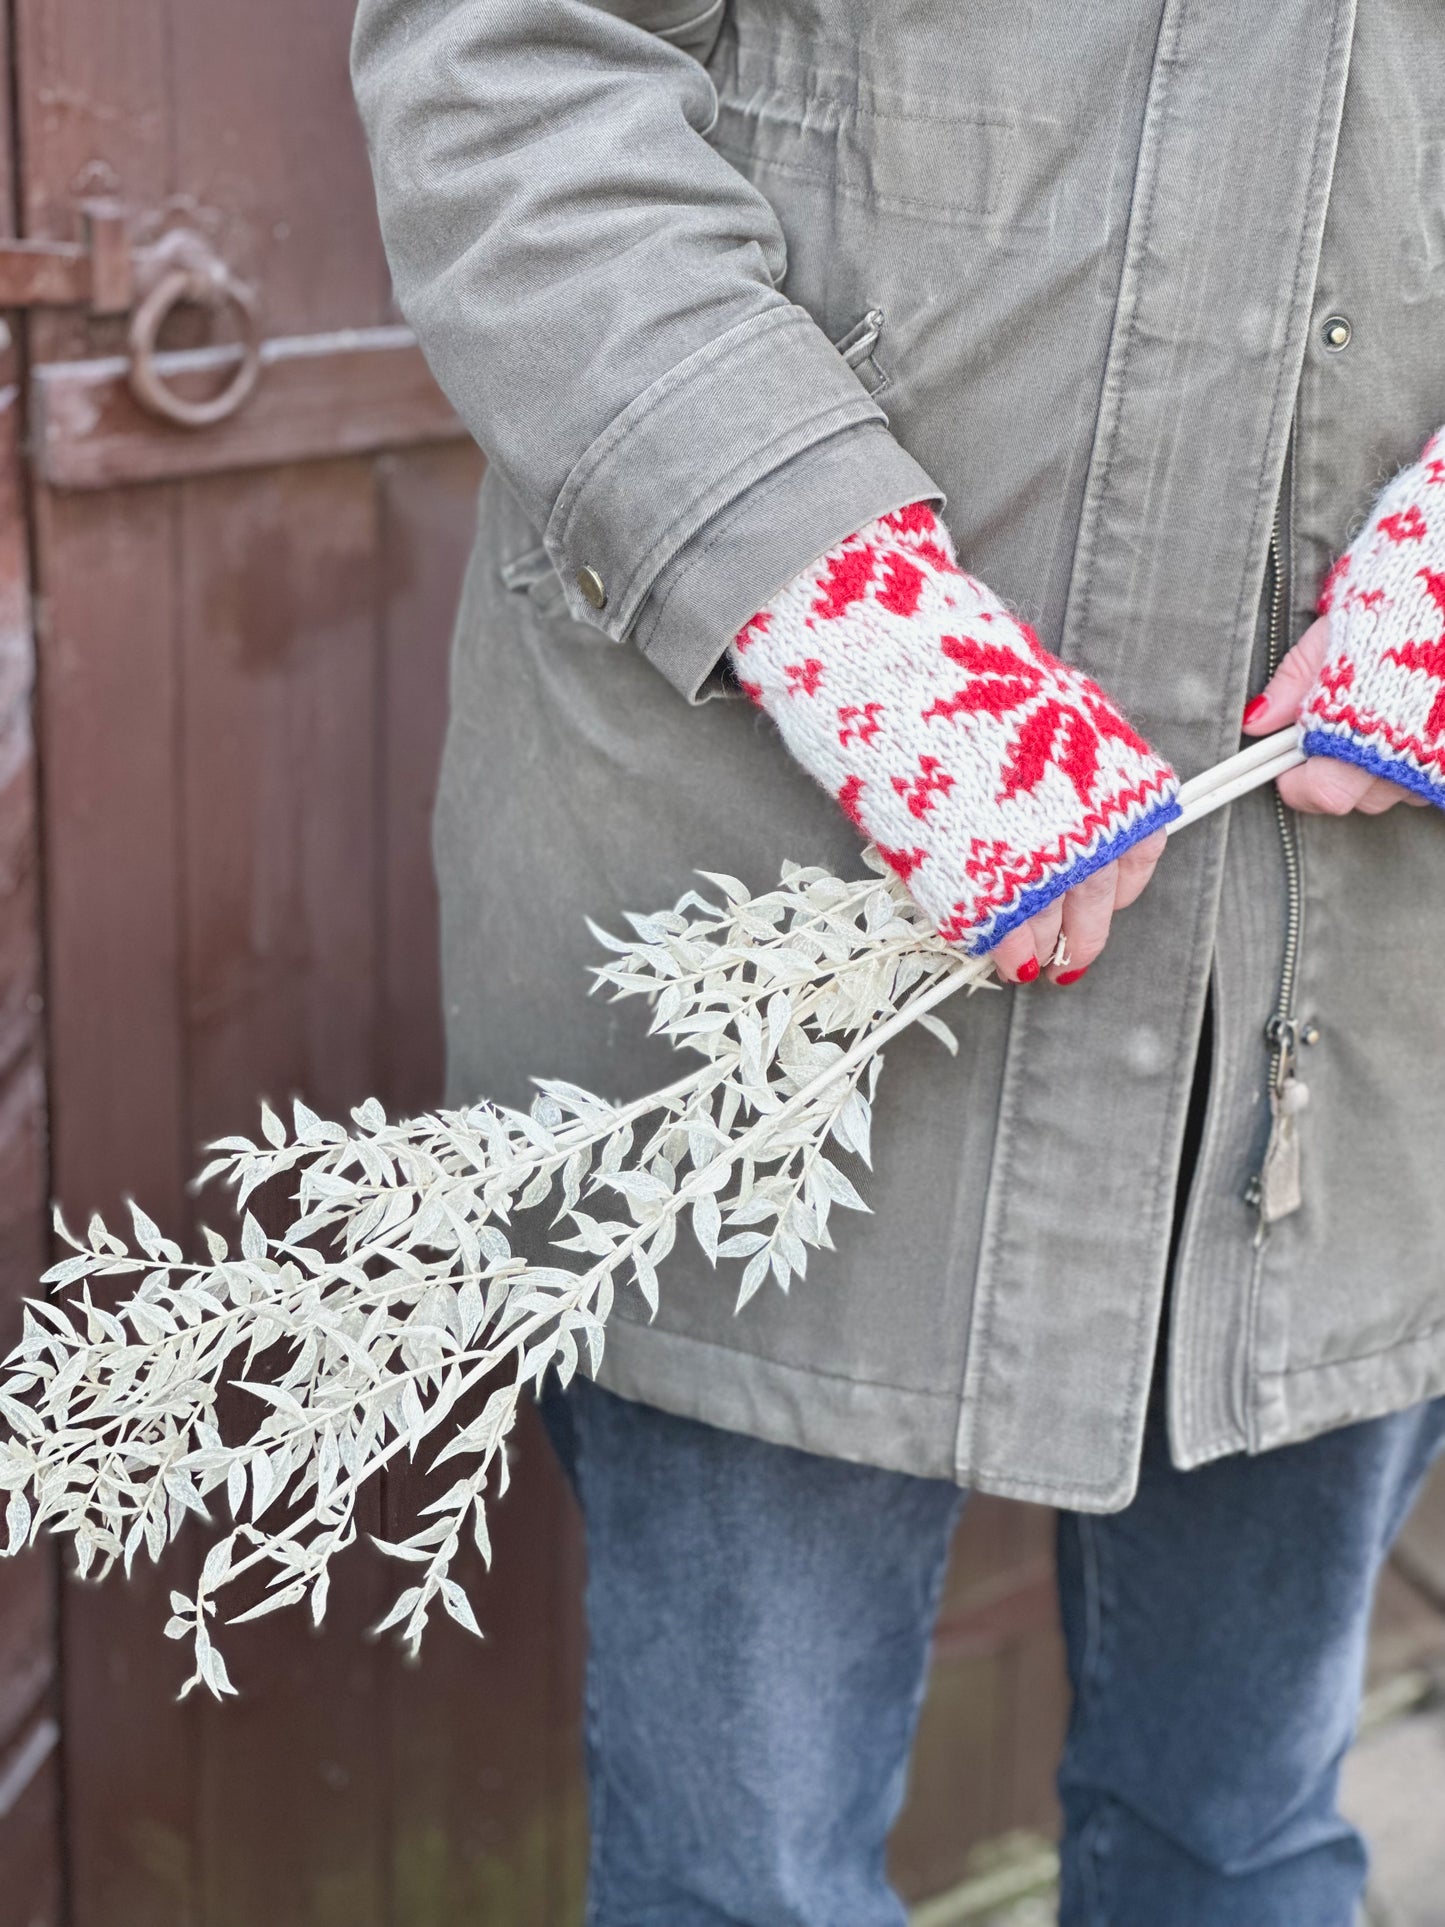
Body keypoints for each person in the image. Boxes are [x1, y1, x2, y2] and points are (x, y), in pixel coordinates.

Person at [350, 4, 1445, 1920]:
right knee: (744, 1875)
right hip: (774, 886)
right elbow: (511, 66)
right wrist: (843, 615)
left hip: (1349, 969)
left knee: (1247, 1832)